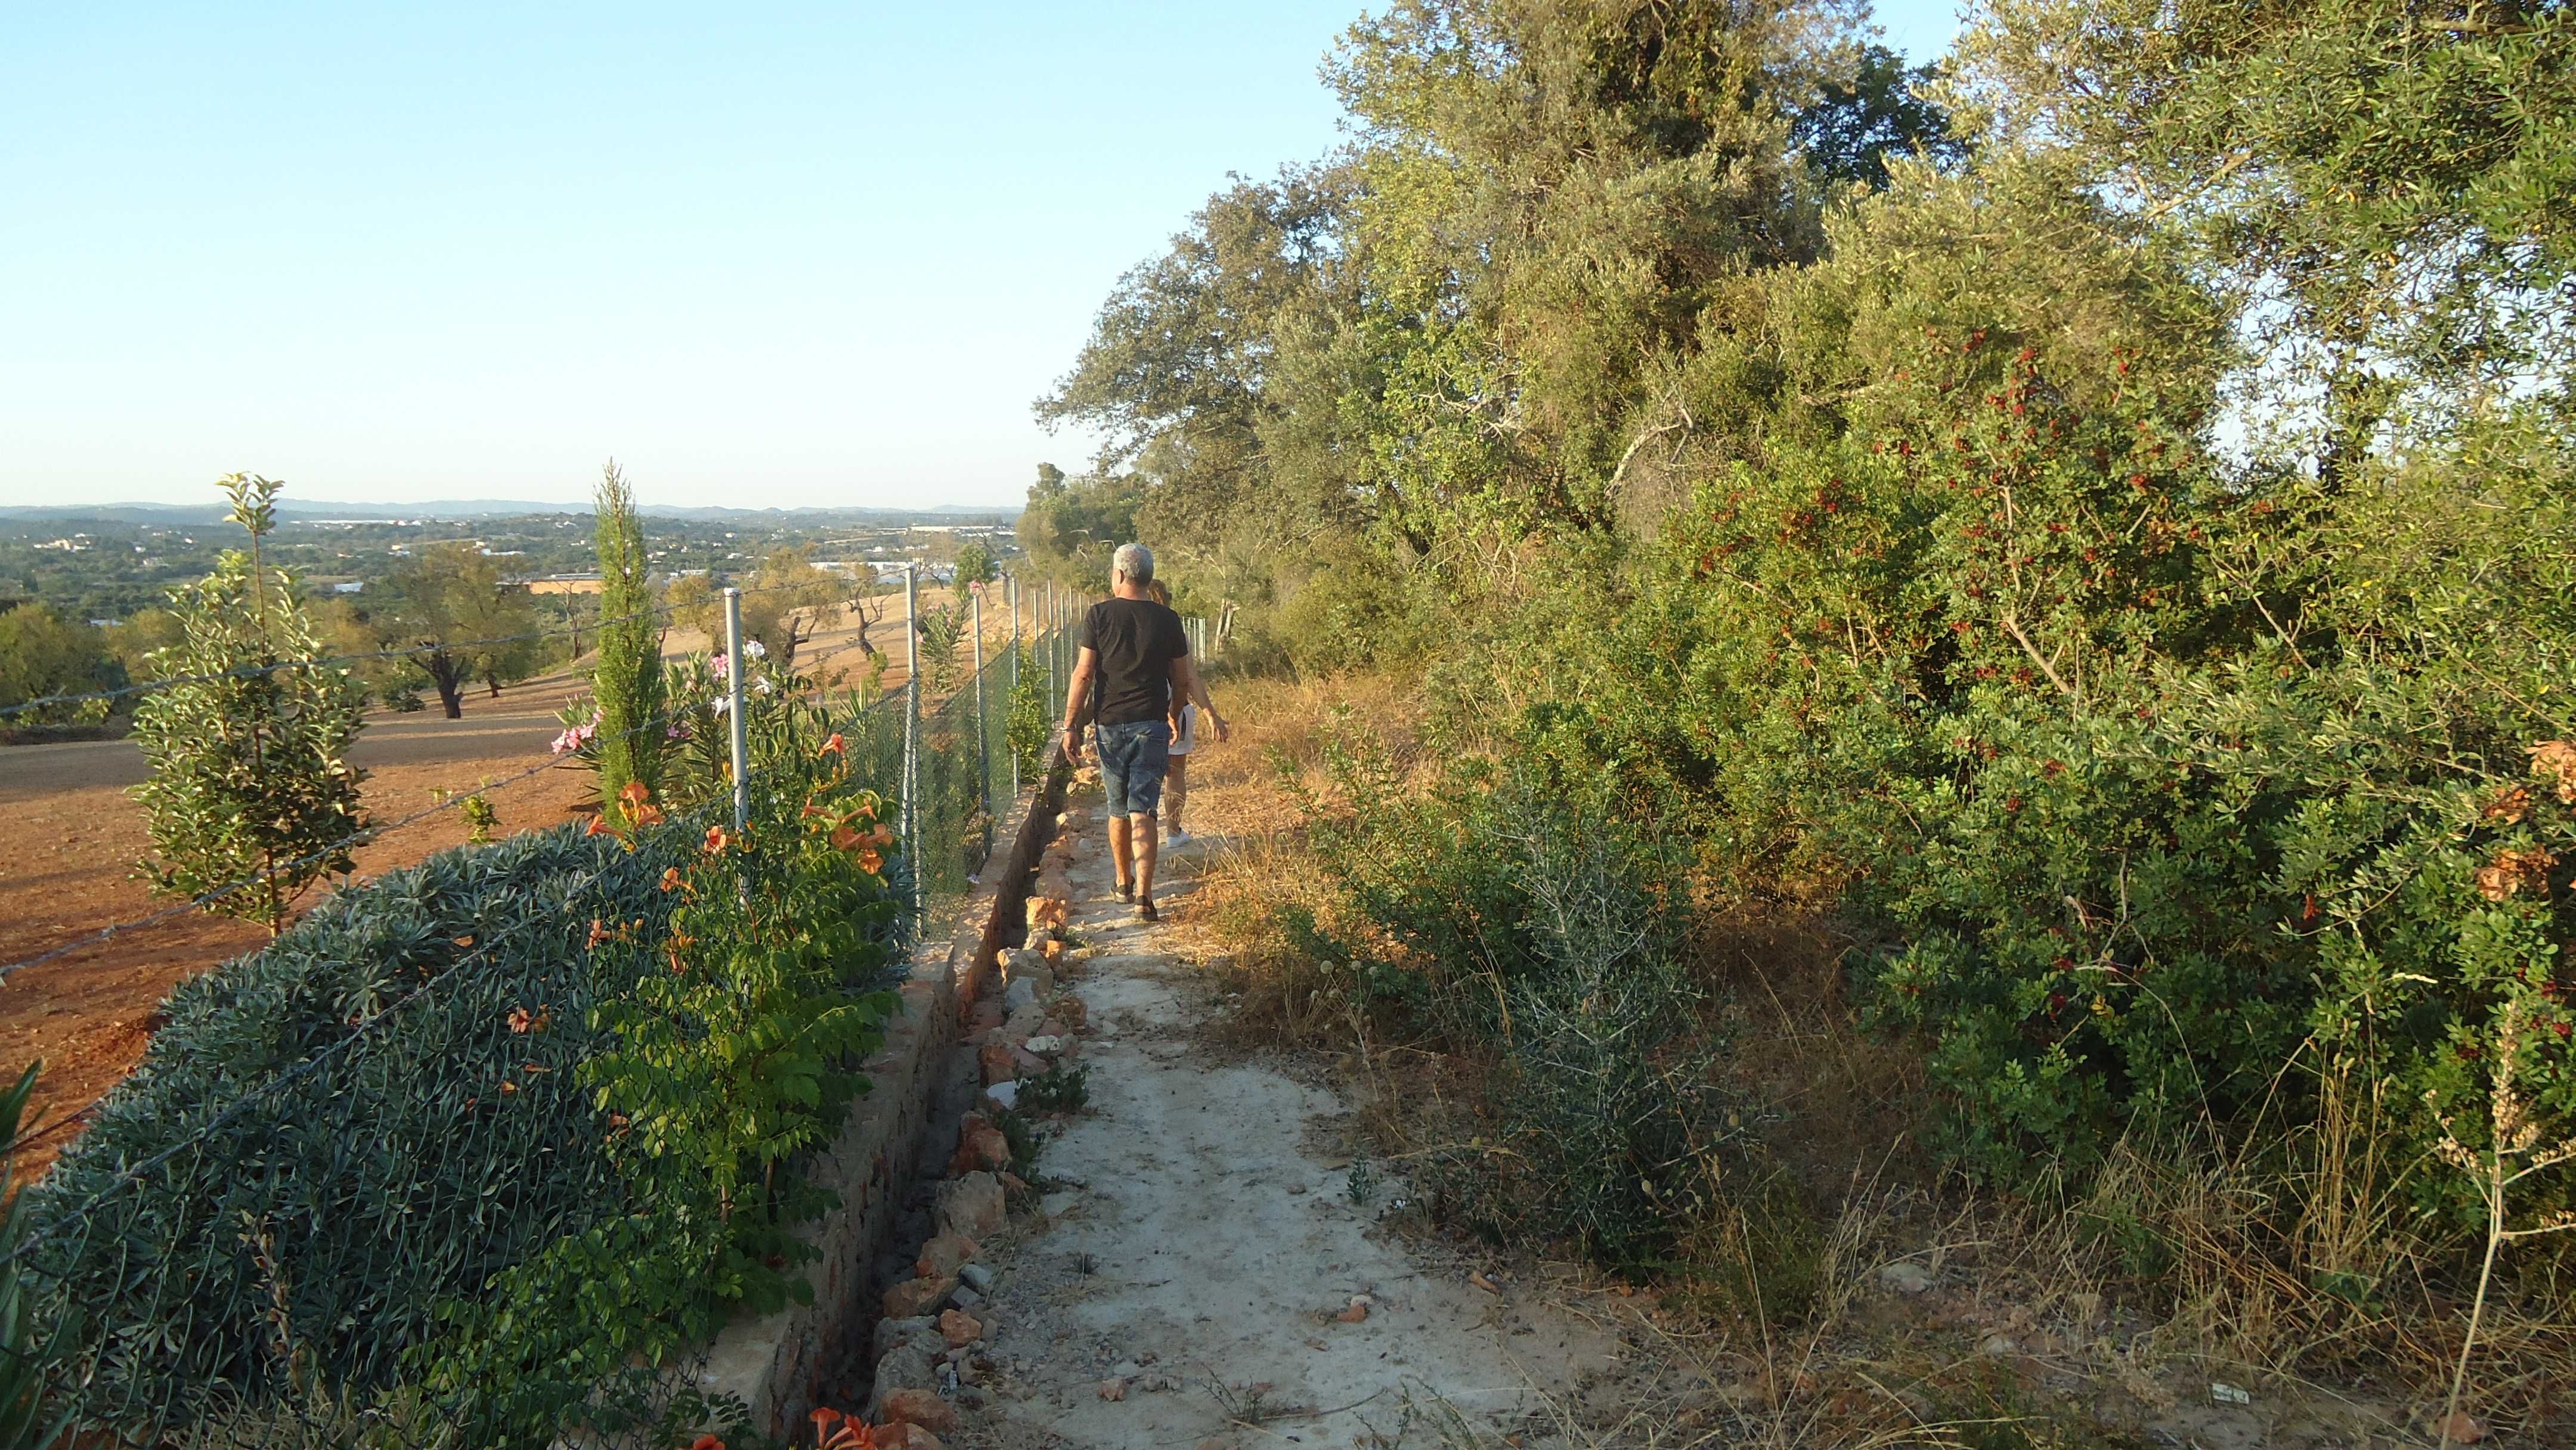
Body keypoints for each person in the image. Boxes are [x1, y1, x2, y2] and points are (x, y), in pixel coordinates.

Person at [1059, 544, 1228, 922]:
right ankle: (1145, 899)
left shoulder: (1099, 615)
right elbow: (1181, 678)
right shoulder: (1168, 620)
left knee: (1117, 810)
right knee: (1145, 812)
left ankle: (1122, 881)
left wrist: (1072, 723)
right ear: (1148, 577)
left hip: (1109, 726)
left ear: (1119, 575)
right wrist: (1173, 713)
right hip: (1151, 726)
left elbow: (1084, 674)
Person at [1145, 580, 1225, 846]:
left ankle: (1140, 835)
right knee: (1175, 773)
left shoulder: (1131, 628)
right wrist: (1211, 713)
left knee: (1143, 775)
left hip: (1140, 711)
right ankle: (1173, 832)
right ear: (1165, 599)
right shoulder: (1172, 628)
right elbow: (1189, 677)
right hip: (1175, 709)